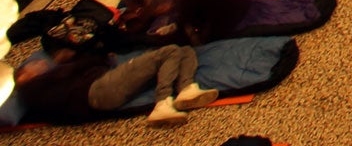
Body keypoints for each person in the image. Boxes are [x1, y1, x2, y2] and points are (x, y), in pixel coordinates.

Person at [14, 39, 217, 127]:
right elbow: (77, 70)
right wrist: (72, 59)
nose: (39, 63)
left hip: (102, 88)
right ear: (23, 77)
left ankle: (186, 88)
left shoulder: (45, 86)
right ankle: (163, 102)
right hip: (99, 90)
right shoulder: (32, 88)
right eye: (31, 66)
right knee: (170, 51)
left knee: (185, 50)